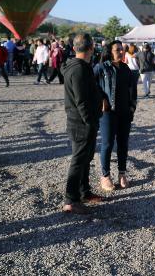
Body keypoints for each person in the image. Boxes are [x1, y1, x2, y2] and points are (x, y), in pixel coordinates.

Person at [60, 34, 104, 214]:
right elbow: (81, 101)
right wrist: (90, 122)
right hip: (81, 123)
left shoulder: (79, 66)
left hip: (83, 122)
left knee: (86, 159)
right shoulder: (78, 69)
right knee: (78, 160)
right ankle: (71, 200)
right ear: (91, 48)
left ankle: (84, 192)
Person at [95, 41, 137, 191]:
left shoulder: (127, 69)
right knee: (107, 144)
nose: (121, 52)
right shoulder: (102, 67)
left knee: (123, 144)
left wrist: (132, 108)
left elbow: (133, 91)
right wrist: (102, 99)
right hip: (108, 113)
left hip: (125, 112)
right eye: (117, 50)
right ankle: (105, 176)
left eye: (122, 50)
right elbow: (91, 84)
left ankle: (122, 174)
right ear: (110, 51)